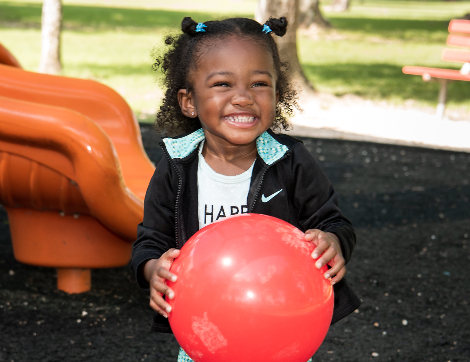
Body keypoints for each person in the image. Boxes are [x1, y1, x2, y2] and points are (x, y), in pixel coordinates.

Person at [131, 16, 360, 362]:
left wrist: (333, 242)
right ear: (189, 101)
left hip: (282, 331)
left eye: (258, 84)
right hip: (205, 335)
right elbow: (149, 241)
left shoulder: (291, 161)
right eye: (223, 83)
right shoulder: (176, 168)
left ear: (277, 95)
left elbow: (333, 223)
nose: (243, 98)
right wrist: (154, 270)